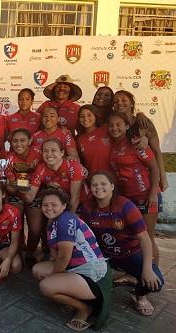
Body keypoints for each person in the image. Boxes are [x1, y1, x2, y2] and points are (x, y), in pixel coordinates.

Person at [81, 171, 164, 316]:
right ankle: (113, 279)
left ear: (112, 186)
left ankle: (139, 295)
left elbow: (144, 238)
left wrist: (147, 269)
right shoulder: (88, 208)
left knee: (156, 282)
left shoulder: (125, 206)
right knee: (85, 280)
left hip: (131, 253)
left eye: (103, 184)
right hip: (105, 255)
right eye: (94, 185)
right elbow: (84, 236)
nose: (98, 188)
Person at [32, 189, 111, 331]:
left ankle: (84, 308)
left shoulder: (66, 219)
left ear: (63, 206)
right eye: (45, 205)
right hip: (75, 267)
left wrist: (54, 277)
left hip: (91, 272)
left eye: (54, 204)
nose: (49, 208)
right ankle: (72, 296)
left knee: (46, 286)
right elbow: (56, 254)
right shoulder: (53, 222)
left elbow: (64, 256)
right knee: (38, 270)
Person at [108, 112, 161, 264]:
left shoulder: (136, 142)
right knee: (133, 237)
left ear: (126, 126)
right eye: (111, 125)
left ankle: (154, 273)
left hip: (145, 196)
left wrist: (152, 194)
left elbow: (154, 168)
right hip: (128, 198)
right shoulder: (114, 145)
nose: (114, 128)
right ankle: (136, 272)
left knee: (147, 236)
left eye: (119, 125)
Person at [112, 90, 168, 192]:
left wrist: (163, 177)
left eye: (124, 100)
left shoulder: (144, 124)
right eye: (116, 101)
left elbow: (156, 151)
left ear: (132, 103)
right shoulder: (112, 126)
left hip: (146, 181)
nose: (119, 103)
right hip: (125, 184)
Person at [5, 128, 43, 265]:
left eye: (22, 140)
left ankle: (30, 252)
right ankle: (18, 250)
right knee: (16, 222)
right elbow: (9, 186)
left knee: (35, 229)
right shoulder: (9, 159)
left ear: (30, 140)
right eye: (15, 141)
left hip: (36, 193)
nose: (18, 144)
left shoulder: (39, 154)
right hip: (16, 193)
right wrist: (17, 187)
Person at [24, 138, 88, 213]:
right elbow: (30, 198)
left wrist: (68, 219)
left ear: (62, 153)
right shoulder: (40, 169)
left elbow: (75, 198)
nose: (49, 154)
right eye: (46, 151)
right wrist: (20, 189)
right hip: (60, 204)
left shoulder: (73, 166)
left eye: (53, 150)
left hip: (82, 204)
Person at [76, 104, 112, 175]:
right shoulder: (79, 139)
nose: (85, 118)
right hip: (93, 180)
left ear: (95, 115)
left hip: (111, 178)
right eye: (82, 116)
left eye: (89, 115)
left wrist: (140, 116)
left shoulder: (106, 129)